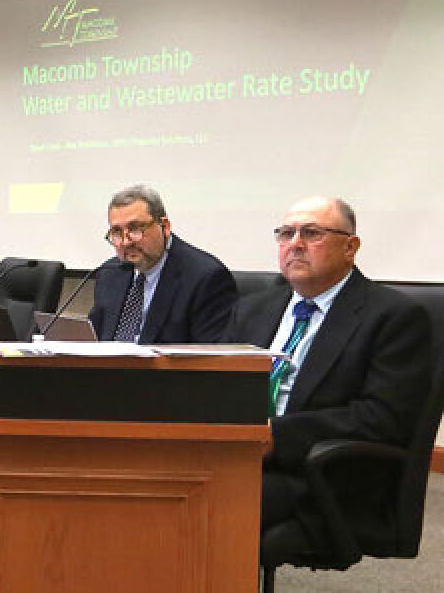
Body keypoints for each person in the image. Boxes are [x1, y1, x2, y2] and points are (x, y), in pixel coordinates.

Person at [223, 196, 432, 550]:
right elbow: (219, 385)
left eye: (312, 233)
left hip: (318, 472)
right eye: (286, 234)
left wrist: (278, 436)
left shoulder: (393, 317)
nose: (295, 244)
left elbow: (382, 418)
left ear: (351, 247)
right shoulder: (252, 310)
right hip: (233, 456)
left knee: (206, 502)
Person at [88, 184, 236, 343]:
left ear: (165, 226)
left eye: (135, 229)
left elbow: (209, 359)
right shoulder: (110, 273)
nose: (125, 242)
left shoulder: (205, 278)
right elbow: (95, 341)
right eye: (117, 232)